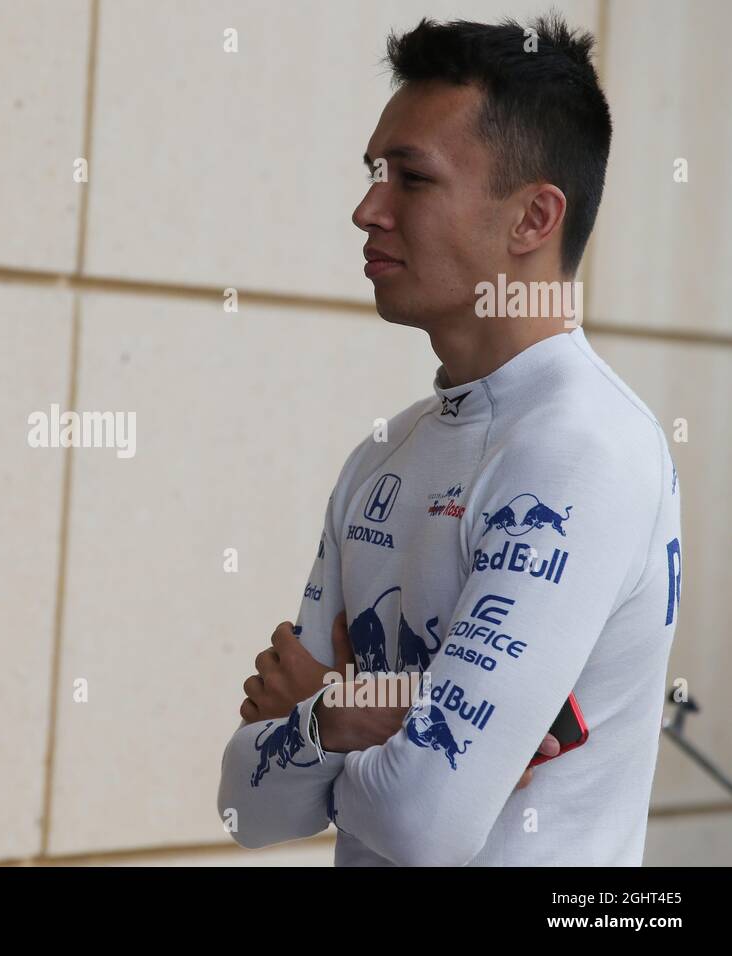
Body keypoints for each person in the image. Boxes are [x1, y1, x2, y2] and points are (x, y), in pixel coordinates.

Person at [217, 13, 683, 866]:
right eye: (373, 172)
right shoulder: (381, 455)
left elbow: (425, 825)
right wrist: (359, 712)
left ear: (534, 218)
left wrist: (326, 709)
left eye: (412, 179)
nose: (367, 209)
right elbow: (248, 807)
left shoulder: (585, 450)